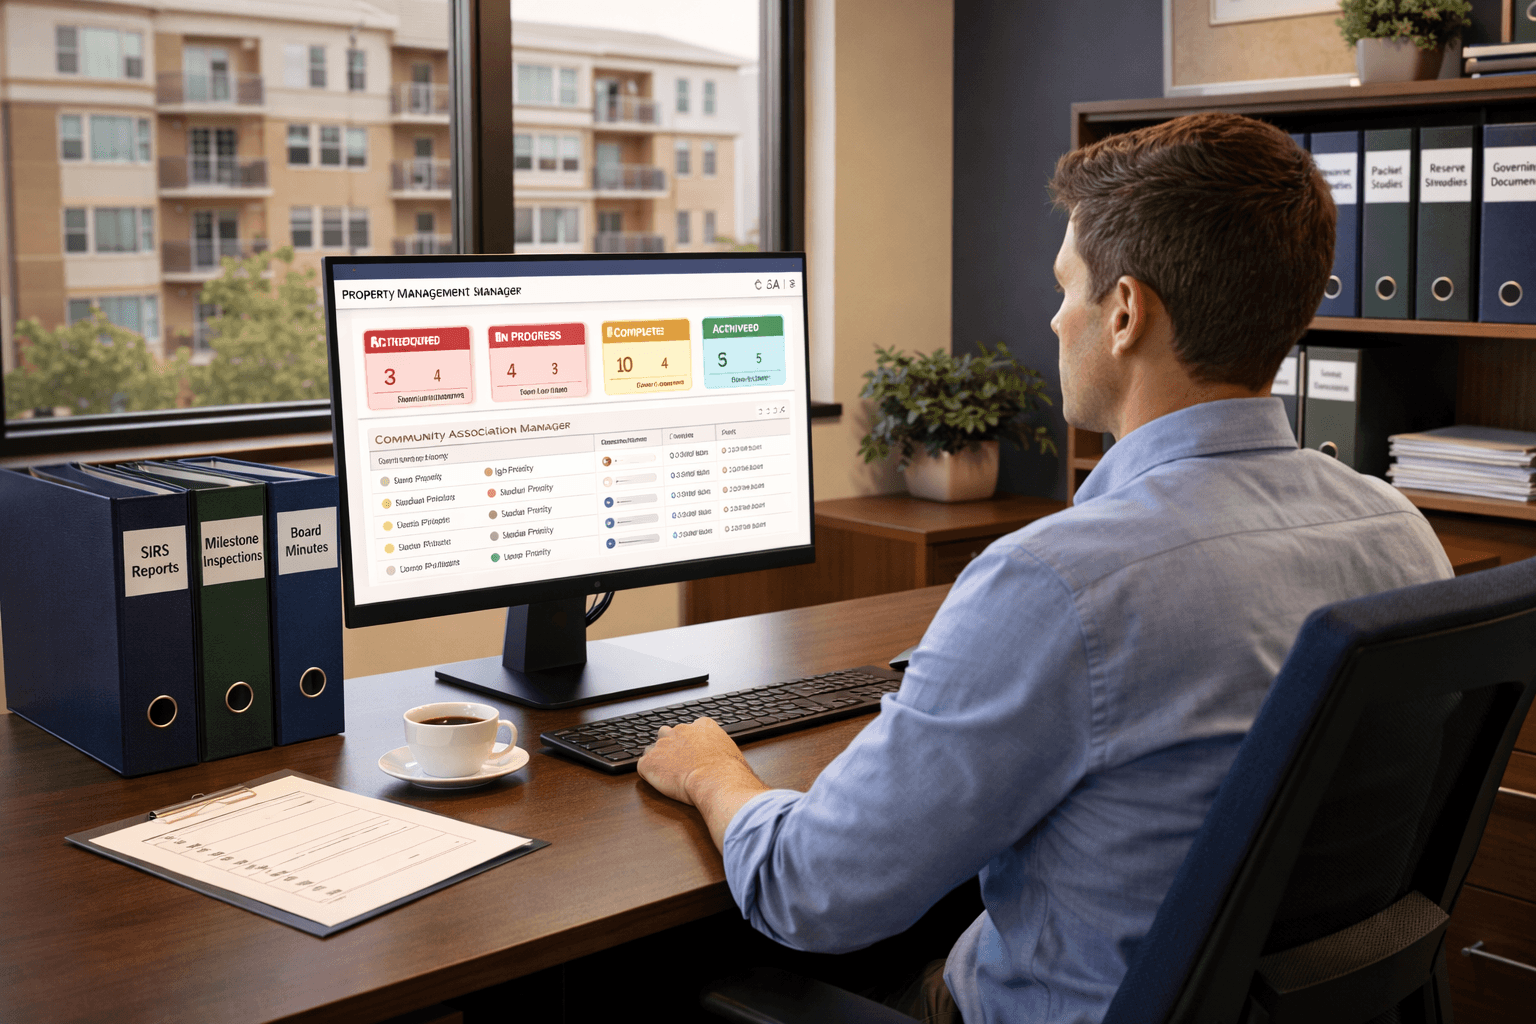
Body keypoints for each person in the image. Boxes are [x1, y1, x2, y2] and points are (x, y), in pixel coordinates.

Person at [637, 112, 1455, 1024]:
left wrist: (712, 769)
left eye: (1067, 286)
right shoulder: (1400, 531)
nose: (1053, 314)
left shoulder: (1062, 584)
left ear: (1125, 312)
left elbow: (813, 894)